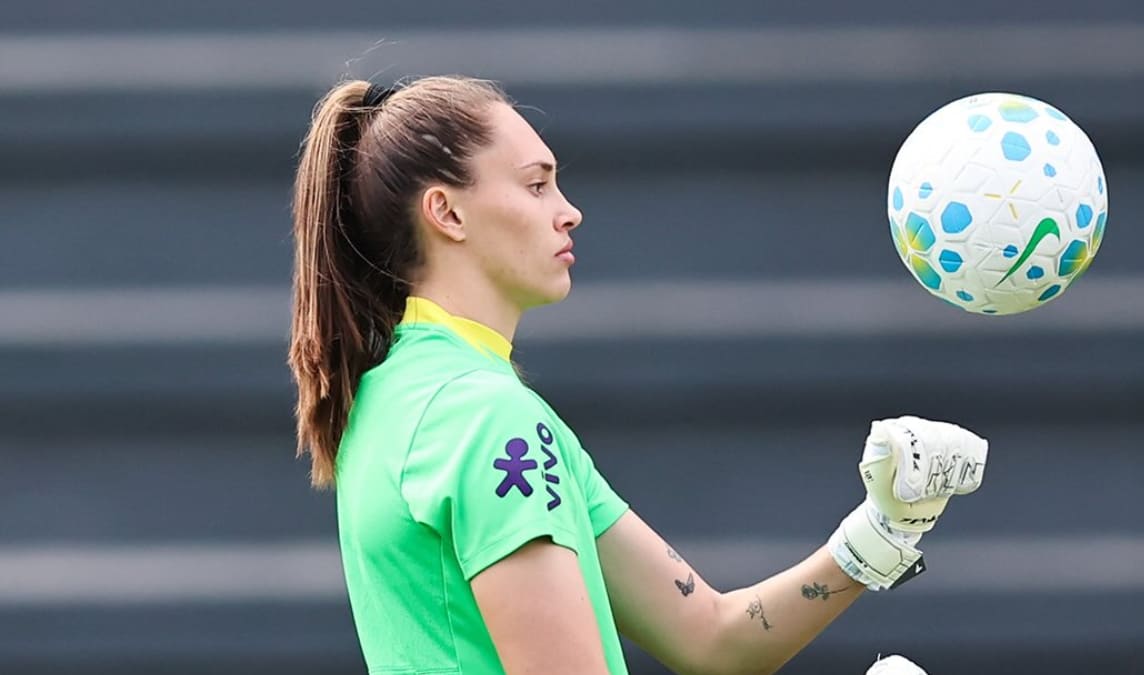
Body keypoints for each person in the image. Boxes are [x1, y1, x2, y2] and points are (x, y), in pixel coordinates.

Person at [288, 75, 988, 675]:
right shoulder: (486, 417)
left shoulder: (398, 394)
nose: (569, 210)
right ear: (447, 212)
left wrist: (884, 528)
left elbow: (712, 635)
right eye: (536, 185)